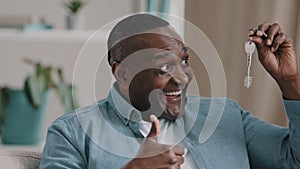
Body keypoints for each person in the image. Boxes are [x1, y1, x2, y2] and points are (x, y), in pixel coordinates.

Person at [40, 14, 300, 169]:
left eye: (184, 61)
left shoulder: (226, 117)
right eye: (164, 66)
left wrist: (290, 82)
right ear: (122, 73)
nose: (182, 77)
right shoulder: (73, 133)